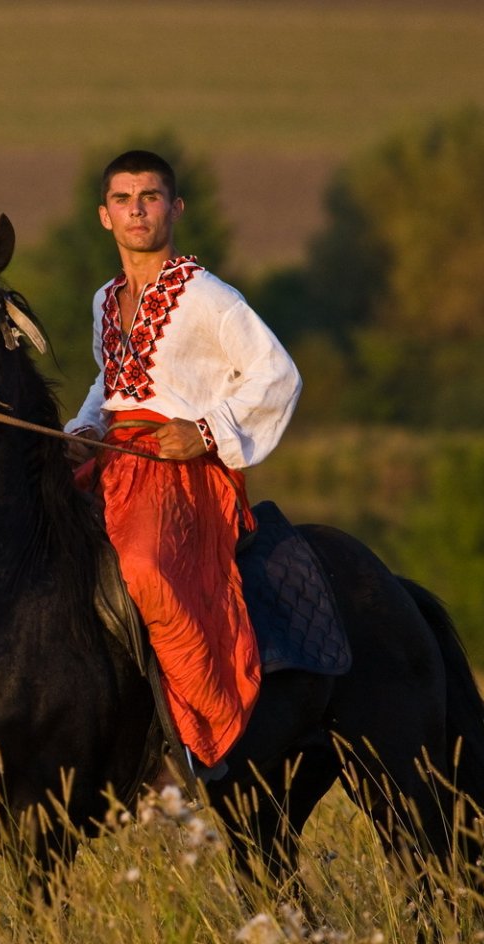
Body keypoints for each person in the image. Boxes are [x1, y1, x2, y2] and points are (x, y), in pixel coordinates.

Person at [64, 149, 302, 773]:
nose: (136, 209)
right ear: (104, 216)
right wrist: (85, 427)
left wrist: (205, 430)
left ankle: (197, 738)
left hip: (181, 473)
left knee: (144, 564)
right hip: (114, 457)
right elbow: (110, 380)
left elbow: (277, 374)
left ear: (175, 208)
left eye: (150, 197)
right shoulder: (104, 299)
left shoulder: (208, 298)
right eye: (123, 199)